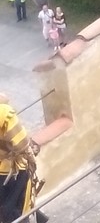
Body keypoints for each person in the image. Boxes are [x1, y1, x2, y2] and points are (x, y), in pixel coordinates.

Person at [0, 93, 39, 223]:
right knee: (18, 211)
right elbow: (22, 145)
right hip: (12, 173)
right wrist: (32, 155)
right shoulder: (4, 112)